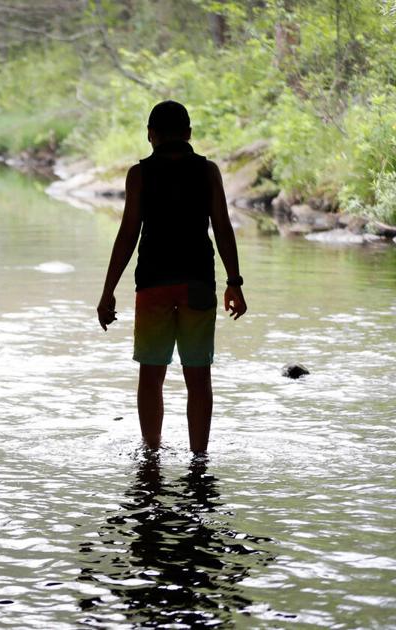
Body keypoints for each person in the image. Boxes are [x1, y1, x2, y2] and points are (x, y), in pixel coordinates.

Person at [97, 101, 247, 454]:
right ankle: (199, 459)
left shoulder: (140, 174)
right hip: (198, 282)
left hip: (153, 284)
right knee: (199, 377)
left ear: (151, 136)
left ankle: (151, 455)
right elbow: (223, 228)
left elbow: (127, 234)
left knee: (151, 375)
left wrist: (108, 292)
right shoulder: (207, 171)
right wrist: (235, 282)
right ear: (189, 135)